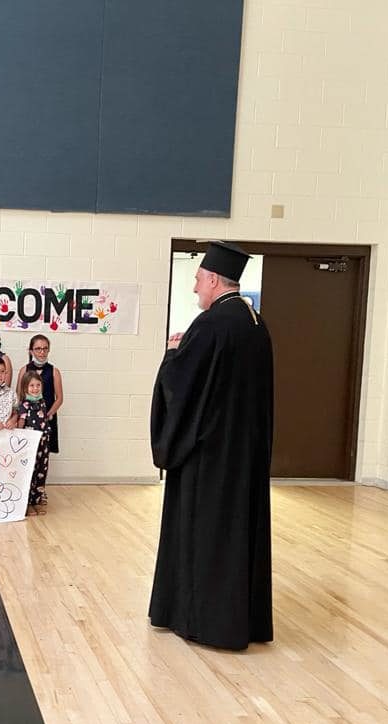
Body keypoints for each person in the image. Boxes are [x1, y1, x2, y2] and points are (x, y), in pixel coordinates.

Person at [148, 240, 274, 651]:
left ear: (215, 280)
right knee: (238, 534)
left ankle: (202, 621)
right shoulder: (255, 323)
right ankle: (242, 620)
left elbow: (181, 388)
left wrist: (172, 355)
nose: (195, 288)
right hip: (244, 456)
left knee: (203, 535)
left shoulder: (210, 325)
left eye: (199, 279)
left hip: (209, 458)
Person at [14, 335, 63, 456]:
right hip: (27, 420)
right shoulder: (24, 370)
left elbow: (59, 398)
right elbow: (18, 395)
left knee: (43, 454)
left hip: (46, 418)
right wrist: (20, 417)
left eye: (45, 348)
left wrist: (47, 415)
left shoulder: (54, 371)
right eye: (38, 349)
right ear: (31, 351)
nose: (42, 352)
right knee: (26, 454)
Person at [17, 370, 50, 514]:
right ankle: (27, 503)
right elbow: (21, 423)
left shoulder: (42, 402)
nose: (35, 388)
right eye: (31, 386)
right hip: (30, 445)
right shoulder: (25, 405)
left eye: (38, 385)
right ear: (25, 388)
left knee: (41, 471)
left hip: (43, 443)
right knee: (29, 471)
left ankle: (37, 500)